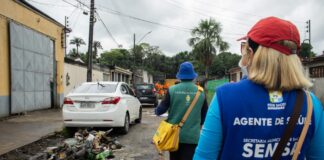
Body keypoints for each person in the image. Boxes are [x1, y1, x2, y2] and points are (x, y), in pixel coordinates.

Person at [193, 17, 324, 160]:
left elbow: (203, 157)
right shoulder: (311, 104)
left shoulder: (225, 97)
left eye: (244, 49)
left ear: (251, 52)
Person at [155, 61, 209, 160]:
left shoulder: (172, 90)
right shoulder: (201, 92)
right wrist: (196, 124)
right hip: (192, 137)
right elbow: (205, 116)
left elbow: (160, 111)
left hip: (174, 137)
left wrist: (157, 109)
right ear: (193, 76)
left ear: (180, 76)